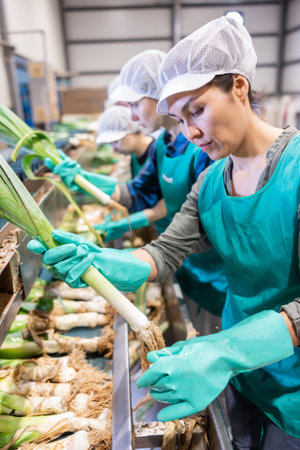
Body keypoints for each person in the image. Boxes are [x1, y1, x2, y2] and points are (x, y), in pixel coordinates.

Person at [28, 16, 300, 449]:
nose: (190, 132)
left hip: (291, 386)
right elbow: (164, 253)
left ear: (239, 87)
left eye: (198, 110)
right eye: (178, 117)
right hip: (241, 375)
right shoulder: (211, 182)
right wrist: (101, 262)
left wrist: (224, 349)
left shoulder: (296, 171)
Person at [45, 49, 227, 314]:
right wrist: (84, 179)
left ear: (159, 96)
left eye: (134, 104)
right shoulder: (162, 146)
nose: (131, 116)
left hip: (214, 269)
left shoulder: (203, 149)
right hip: (179, 260)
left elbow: (212, 225)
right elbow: (139, 193)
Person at [96, 104, 152, 179]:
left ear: (131, 129)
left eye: (116, 141)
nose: (114, 149)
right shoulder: (133, 156)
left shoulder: (157, 153)